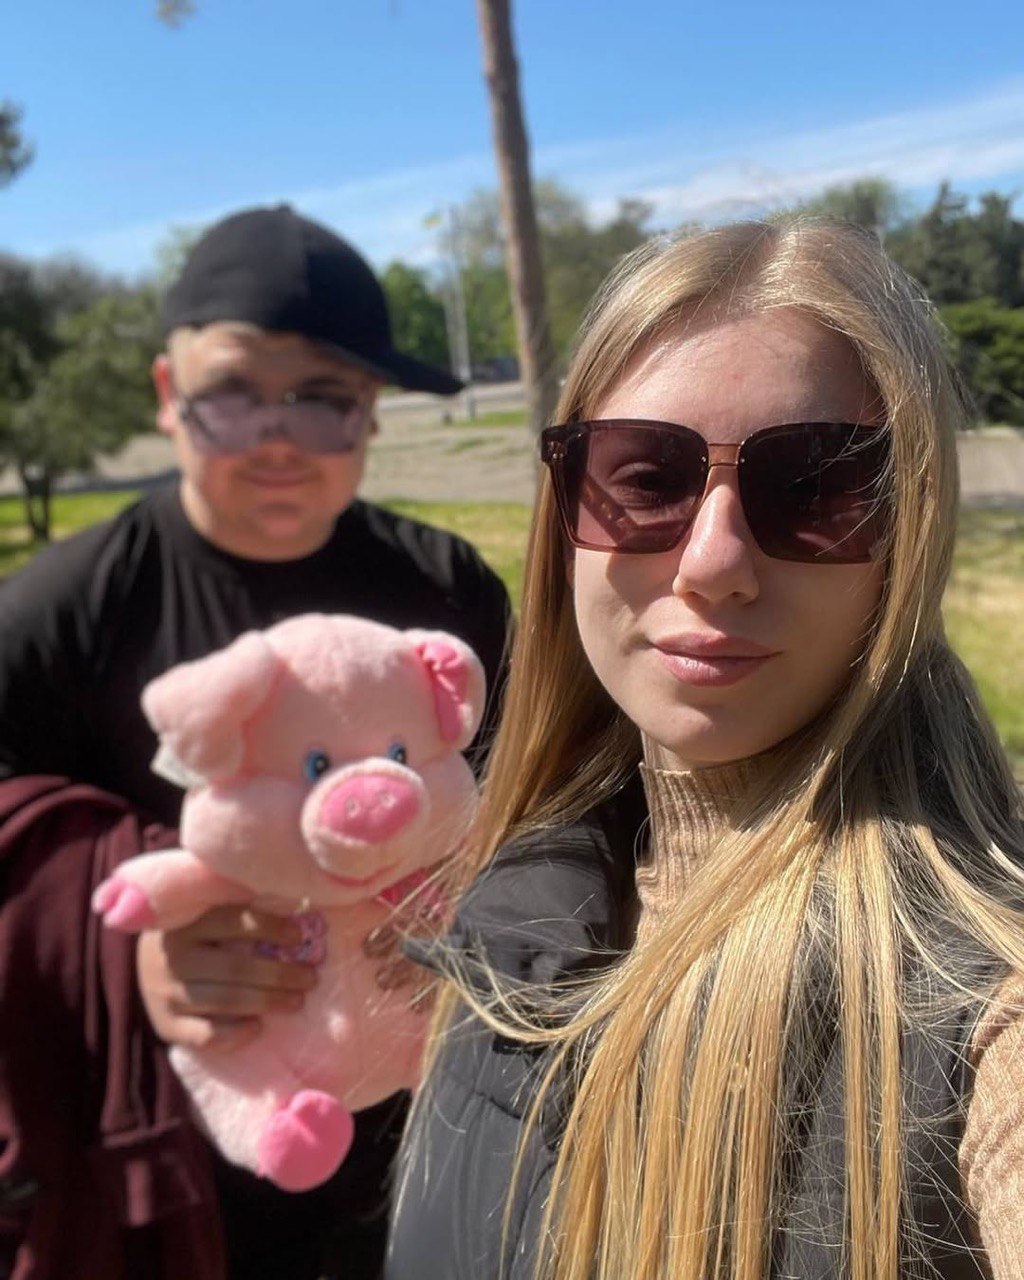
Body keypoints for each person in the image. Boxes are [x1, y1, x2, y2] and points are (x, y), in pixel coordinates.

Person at [387, 219, 1024, 1280]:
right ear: (563, 513)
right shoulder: (514, 885)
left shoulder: (978, 1001)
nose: (714, 561)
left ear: (907, 537)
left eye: (813, 488)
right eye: (646, 479)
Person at [0, 205, 511, 1280]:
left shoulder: (446, 593)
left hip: (424, 1143)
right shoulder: (59, 615)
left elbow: (534, 806)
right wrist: (122, 951)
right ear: (167, 393)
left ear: (369, 414)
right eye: (234, 394)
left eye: (322, 399)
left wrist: (469, 910)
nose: (278, 438)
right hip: (179, 1175)